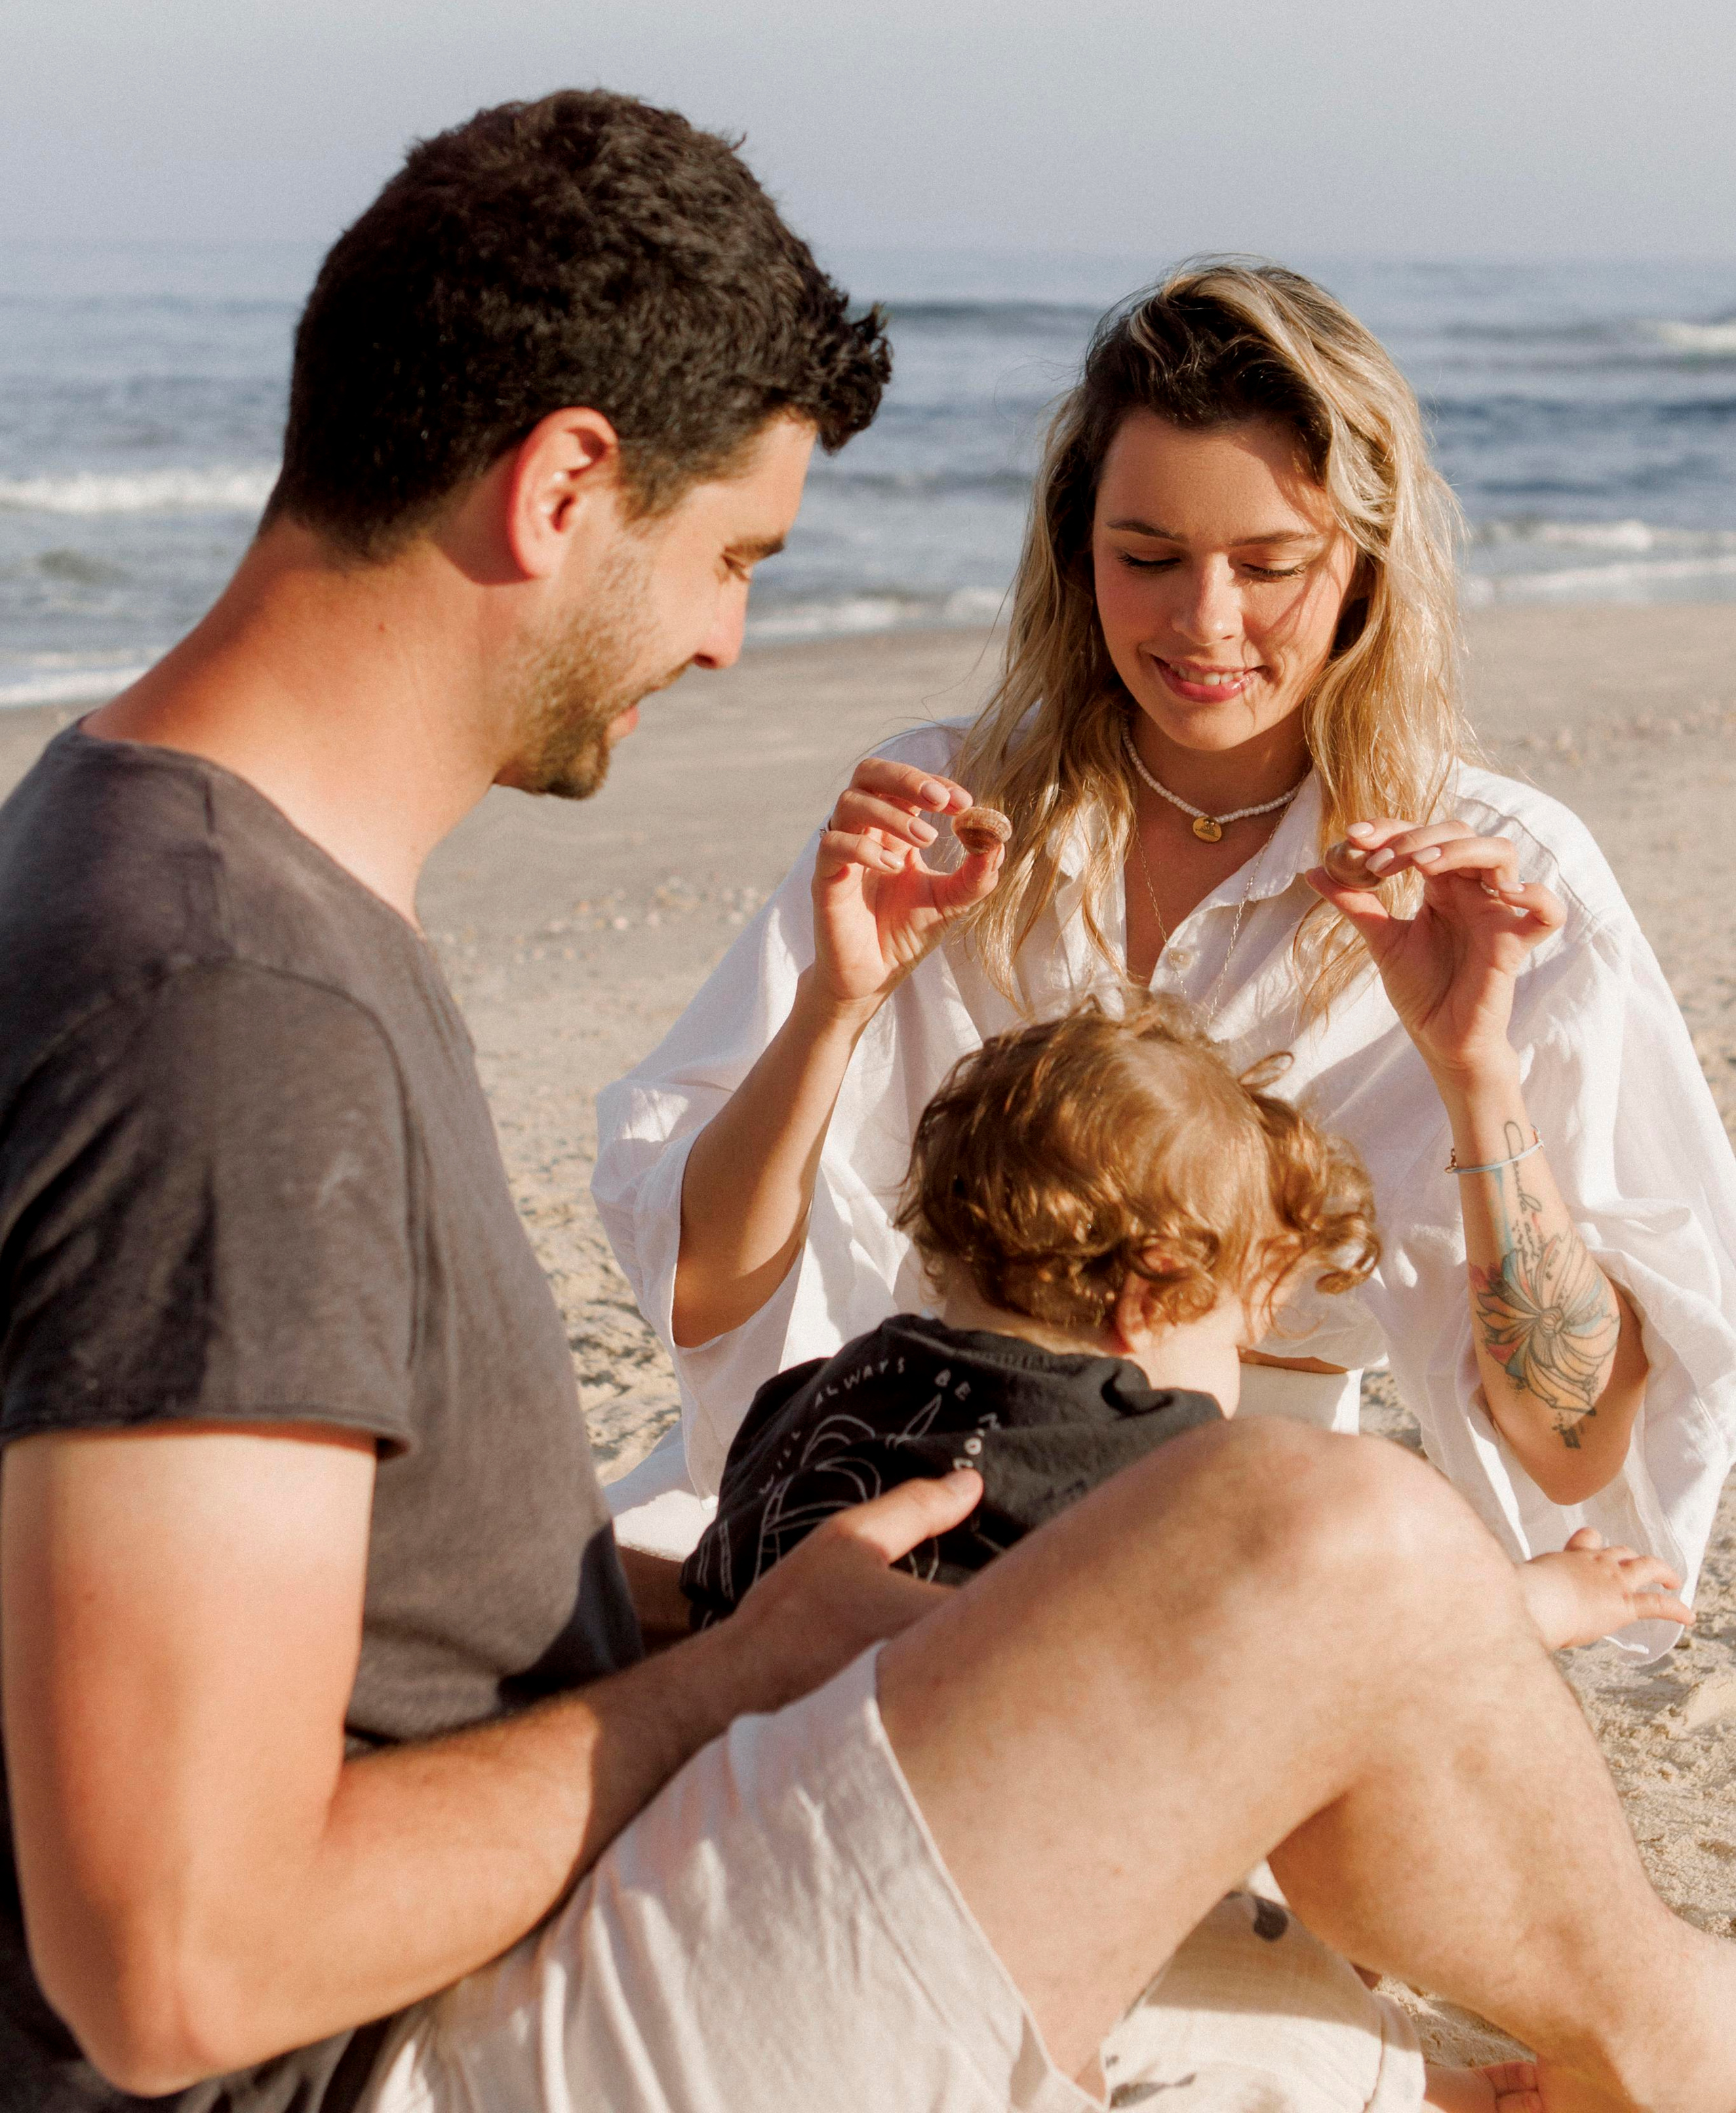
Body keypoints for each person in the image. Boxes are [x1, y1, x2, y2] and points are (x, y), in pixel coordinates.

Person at [5, 104, 1735, 2113]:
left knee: (1433, 1926)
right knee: (1338, 1550)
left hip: (634, 1795)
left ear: (1364, 574)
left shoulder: (171, 873)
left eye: (1273, 565)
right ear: (571, 486)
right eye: (735, 554)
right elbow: (181, 1966)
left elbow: (378, 1638)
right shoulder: (239, 999)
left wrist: (730, 1615)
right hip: (432, 2038)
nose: (733, 635)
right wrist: (738, 1663)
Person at [594, 264, 1736, 1655]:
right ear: (1078, 554)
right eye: (1146, 558)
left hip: (1236, 1554)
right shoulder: (943, 810)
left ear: (1363, 568)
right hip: (865, 1474)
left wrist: (1474, 1073)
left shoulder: (1498, 879)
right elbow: (706, 1295)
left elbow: (1565, 1451)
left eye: (1266, 567)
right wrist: (838, 1005)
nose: (1201, 622)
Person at [680, 993, 1691, 1664]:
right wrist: (1547, 1603)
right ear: (1151, 1297)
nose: (1238, 1367)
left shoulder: (804, 1397)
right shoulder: (1157, 1463)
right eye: (1238, 1333)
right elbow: (1352, 1640)